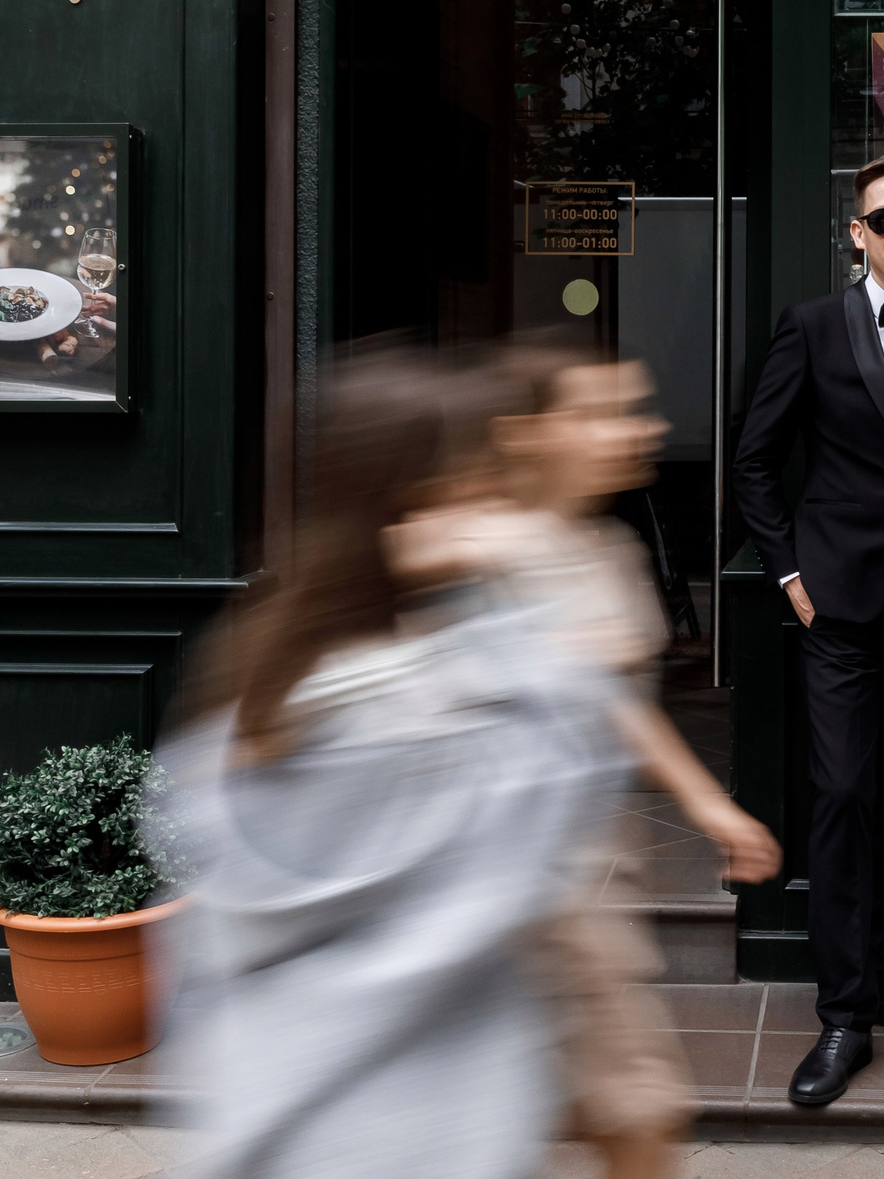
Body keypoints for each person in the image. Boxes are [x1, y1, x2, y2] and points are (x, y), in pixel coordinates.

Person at [153, 345, 626, 1179]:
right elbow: (567, 769)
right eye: (479, 488)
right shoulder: (439, 725)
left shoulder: (261, 691)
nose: (495, 513)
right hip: (434, 1134)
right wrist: (513, 599)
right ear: (416, 511)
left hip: (283, 1128)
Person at [486, 351, 782, 1179]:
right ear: (527, 435)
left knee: (630, 1113)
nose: (642, 428)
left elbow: (618, 704)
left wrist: (710, 805)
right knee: (632, 1109)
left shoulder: (606, 551)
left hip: (584, 882)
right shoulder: (471, 550)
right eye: (603, 412)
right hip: (510, 899)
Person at [728, 150, 884, 1106]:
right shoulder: (811, 328)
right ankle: (843, 1016)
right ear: (857, 233)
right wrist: (787, 570)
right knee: (839, 796)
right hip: (836, 607)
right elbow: (755, 461)